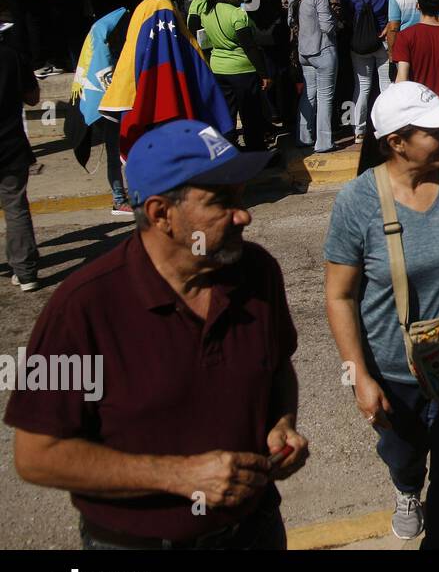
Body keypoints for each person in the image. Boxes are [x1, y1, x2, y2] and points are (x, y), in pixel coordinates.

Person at [5, 120, 307, 549]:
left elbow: (279, 367)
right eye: (222, 201)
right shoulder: (81, 307)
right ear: (161, 214)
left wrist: (282, 423)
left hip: (254, 532)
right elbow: (36, 456)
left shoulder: (257, 272)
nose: (244, 215)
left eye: (241, 196)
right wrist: (180, 476)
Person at [324, 83, 439, 549]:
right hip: (394, 373)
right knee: (403, 456)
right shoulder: (356, 203)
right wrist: (359, 375)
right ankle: (407, 490)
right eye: (434, 130)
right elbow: (340, 296)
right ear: (396, 142)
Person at [188, 0, 272, 152]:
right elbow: (249, 47)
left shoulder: (207, 12)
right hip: (242, 70)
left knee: (227, 112)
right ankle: (256, 150)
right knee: (250, 113)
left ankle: (228, 147)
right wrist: (264, 74)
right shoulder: (237, 14)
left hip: (218, 68)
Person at [0, 34, 40, 290]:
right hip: (10, 146)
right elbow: (33, 98)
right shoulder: (12, 54)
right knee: (16, 207)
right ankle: (26, 273)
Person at [291, 0, 338, 154]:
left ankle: (304, 137)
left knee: (309, 94)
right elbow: (327, 26)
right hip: (322, 49)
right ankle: (324, 142)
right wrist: (337, 23)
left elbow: (290, 21)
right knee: (325, 97)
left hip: (303, 51)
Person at [347, 0, 395, 142]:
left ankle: (358, 131)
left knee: (361, 87)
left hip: (359, 43)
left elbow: (348, 9)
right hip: (381, 42)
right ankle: (387, 127)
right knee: (386, 86)